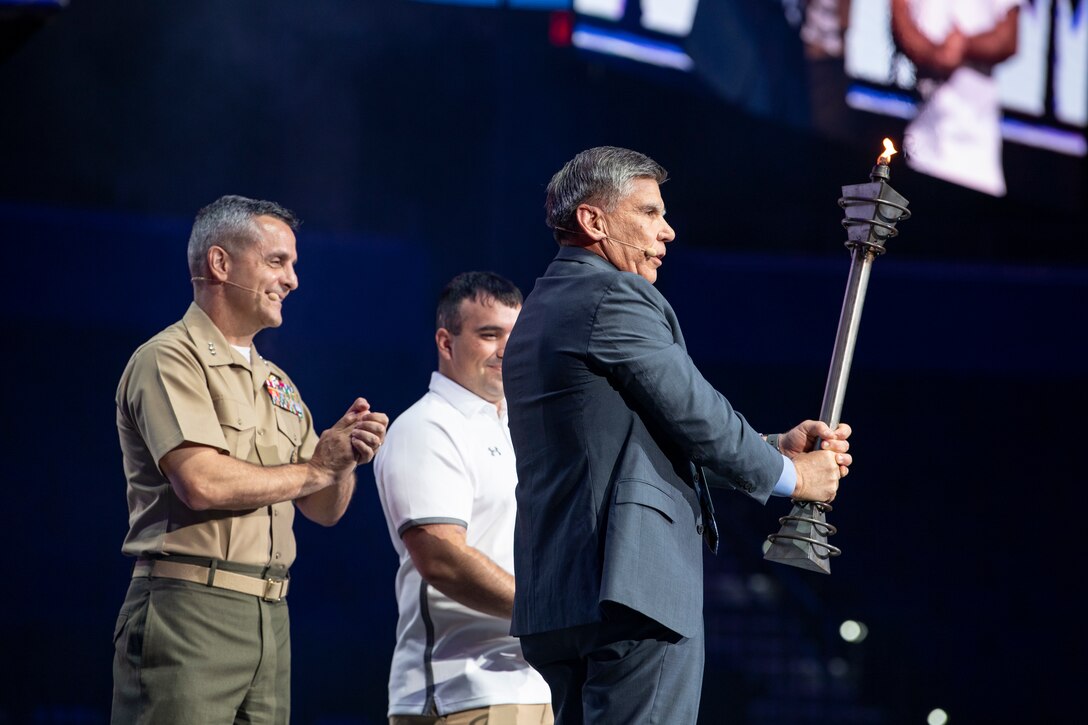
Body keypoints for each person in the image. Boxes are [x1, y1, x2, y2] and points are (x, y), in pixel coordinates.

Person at [502, 146, 853, 724]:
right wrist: (795, 478)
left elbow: (635, 439)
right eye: (648, 213)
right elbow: (698, 414)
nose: (668, 231)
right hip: (628, 589)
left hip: (559, 598)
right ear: (594, 221)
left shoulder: (541, 309)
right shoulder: (614, 294)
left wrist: (771, 446)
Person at [111, 195, 388, 725]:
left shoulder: (278, 383)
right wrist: (314, 469)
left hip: (270, 614)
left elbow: (323, 509)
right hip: (189, 608)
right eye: (277, 261)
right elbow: (201, 482)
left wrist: (343, 457)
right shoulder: (169, 358)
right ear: (220, 264)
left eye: (294, 265)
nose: (293, 280)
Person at [374, 272, 553, 725]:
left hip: (535, 684)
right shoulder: (427, 427)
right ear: (445, 341)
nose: (506, 350)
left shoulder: (522, 429)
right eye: (489, 334)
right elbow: (444, 559)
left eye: (516, 335)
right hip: (463, 691)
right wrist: (552, 610)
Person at [892, 0, 1021, 196]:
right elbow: (900, 19)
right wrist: (936, 55)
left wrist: (964, 46)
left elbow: (1008, 38)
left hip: (976, 153)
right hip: (920, 143)